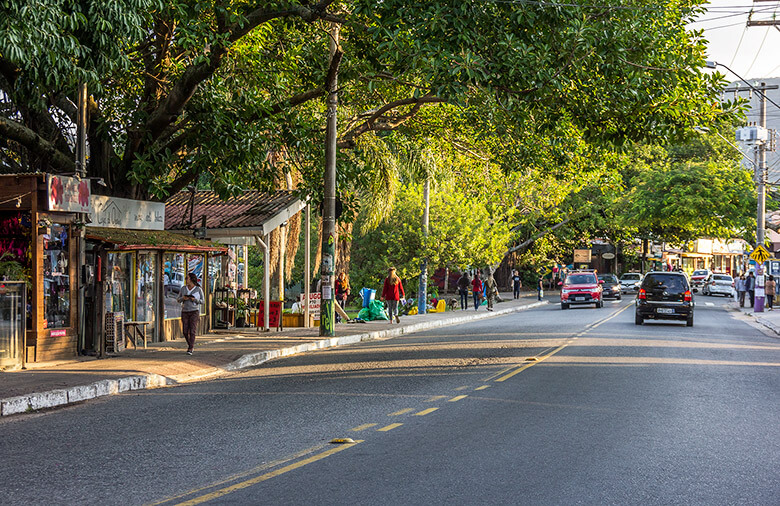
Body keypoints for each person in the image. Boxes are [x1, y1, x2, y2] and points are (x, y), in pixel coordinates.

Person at [177, 273, 204, 355]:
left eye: (187, 278)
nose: (186, 280)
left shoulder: (198, 289)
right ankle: (190, 344)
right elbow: (178, 299)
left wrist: (195, 300)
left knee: (192, 330)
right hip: (185, 311)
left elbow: (203, 301)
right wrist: (183, 298)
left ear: (191, 279)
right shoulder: (183, 289)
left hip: (194, 311)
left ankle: (190, 348)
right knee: (185, 331)